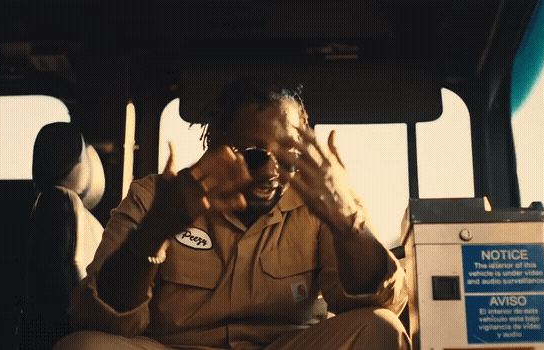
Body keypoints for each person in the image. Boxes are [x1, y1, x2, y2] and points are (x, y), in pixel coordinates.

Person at [55, 77, 410, 349]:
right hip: (176, 347)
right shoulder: (156, 197)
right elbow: (98, 317)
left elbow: (385, 302)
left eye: (287, 156)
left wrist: (350, 222)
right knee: (82, 347)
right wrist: (154, 231)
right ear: (216, 141)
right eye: (255, 154)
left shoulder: (324, 203)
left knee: (380, 328)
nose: (271, 172)